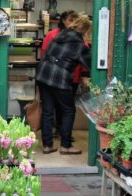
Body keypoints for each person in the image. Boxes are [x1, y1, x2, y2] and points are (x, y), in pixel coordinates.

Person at [36, 15, 91, 155]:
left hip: (43, 74)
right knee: (68, 110)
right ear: (85, 30)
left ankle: (47, 145)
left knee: (48, 111)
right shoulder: (79, 45)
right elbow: (90, 64)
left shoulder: (59, 36)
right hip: (59, 77)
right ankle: (66, 145)